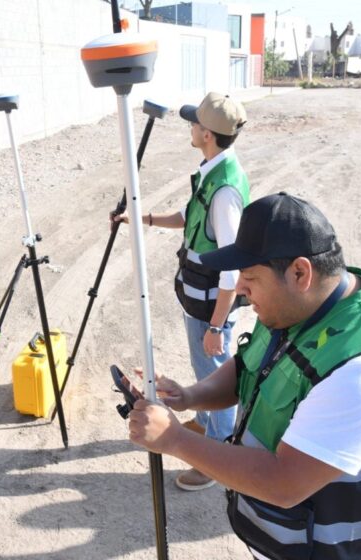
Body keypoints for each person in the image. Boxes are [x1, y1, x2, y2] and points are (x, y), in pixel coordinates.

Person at [127, 193, 361, 560]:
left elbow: (283, 483)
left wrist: (175, 439)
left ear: (299, 273)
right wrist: (191, 396)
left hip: (331, 550)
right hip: (291, 538)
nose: (240, 290)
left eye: (249, 277)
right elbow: (249, 365)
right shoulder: (303, 306)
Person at [114, 92, 250, 491]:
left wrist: (217, 326)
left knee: (213, 373)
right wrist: (145, 219)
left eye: (194, 123)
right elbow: (190, 217)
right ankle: (206, 424)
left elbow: (231, 269)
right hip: (202, 301)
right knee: (203, 370)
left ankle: (216, 460)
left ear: (206, 134)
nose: (190, 127)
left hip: (213, 307)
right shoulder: (213, 169)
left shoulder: (224, 192)